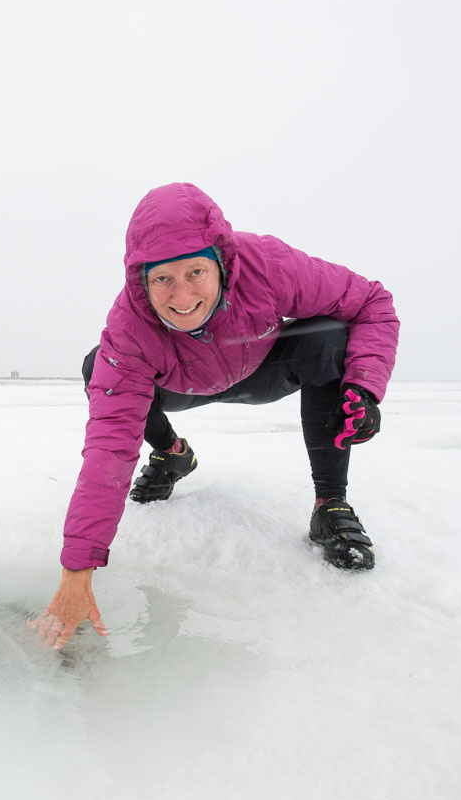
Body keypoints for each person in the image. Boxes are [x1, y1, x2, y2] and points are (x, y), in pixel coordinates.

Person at [30, 182, 400, 650]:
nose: (181, 296)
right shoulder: (130, 328)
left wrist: (363, 387)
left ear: (222, 262)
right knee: (95, 365)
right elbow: (109, 447)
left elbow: (372, 302)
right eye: (162, 278)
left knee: (330, 337)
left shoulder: (268, 265)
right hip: (178, 384)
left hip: (261, 368)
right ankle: (171, 455)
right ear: (140, 279)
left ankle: (330, 505)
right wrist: (76, 571)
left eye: (196, 272)